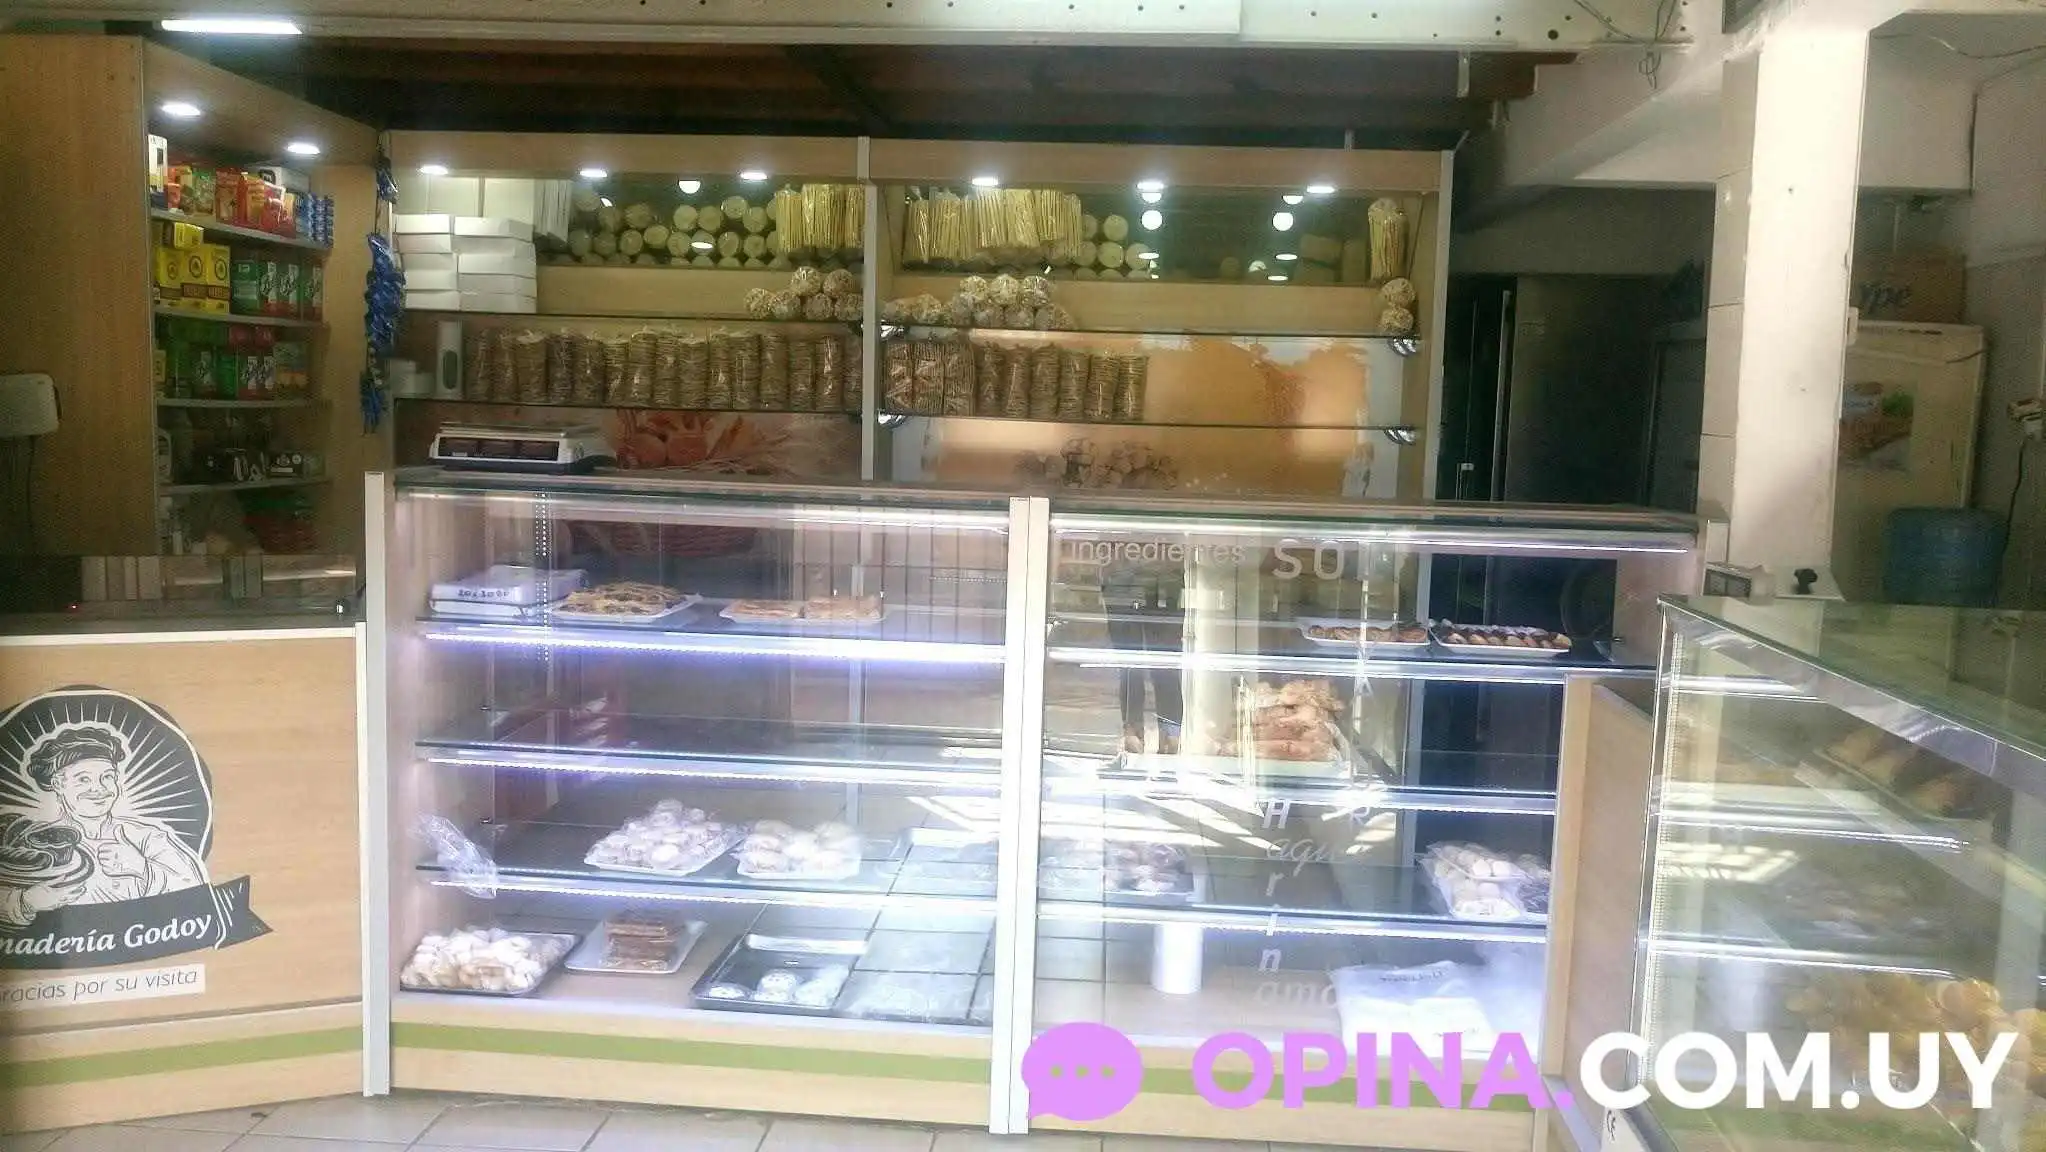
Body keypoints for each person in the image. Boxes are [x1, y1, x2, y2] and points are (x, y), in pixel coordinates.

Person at [17, 726, 206, 909]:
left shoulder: (145, 837)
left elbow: (195, 891)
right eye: (83, 779)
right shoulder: (35, 841)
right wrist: (26, 902)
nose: (99, 788)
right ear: (58, 784)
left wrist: (141, 867)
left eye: (107, 777)